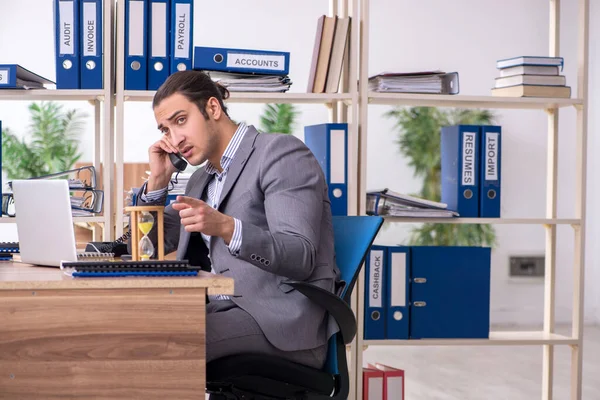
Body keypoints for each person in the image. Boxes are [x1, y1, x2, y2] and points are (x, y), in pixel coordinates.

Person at [133, 70, 341, 369]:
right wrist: (157, 183)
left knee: (158, 349)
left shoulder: (280, 153)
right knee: (129, 331)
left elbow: (300, 255)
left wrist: (227, 227)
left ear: (212, 108)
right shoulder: (201, 179)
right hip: (218, 310)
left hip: (277, 322)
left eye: (180, 120)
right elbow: (148, 246)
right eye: (165, 130)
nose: (175, 139)